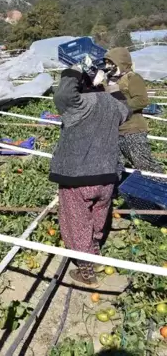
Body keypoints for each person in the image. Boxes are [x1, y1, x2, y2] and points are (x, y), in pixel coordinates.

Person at [49, 65, 130, 288]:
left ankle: (87, 271)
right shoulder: (113, 105)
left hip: (78, 176)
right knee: (97, 218)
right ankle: (95, 254)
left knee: (77, 223)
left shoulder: (82, 105)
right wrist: (112, 84)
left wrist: (72, 71)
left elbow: (64, 95)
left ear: (82, 83)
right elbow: (126, 109)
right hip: (106, 176)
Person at [105, 47, 164, 177]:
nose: (108, 66)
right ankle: (119, 192)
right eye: (107, 62)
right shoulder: (107, 80)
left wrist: (121, 107)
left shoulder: (132, 78)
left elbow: (142, 100)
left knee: (144, 163)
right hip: (114, 130)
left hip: (132, 129)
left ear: (121, 63)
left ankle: (161, 187)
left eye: (111, 62)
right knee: (114, 165)